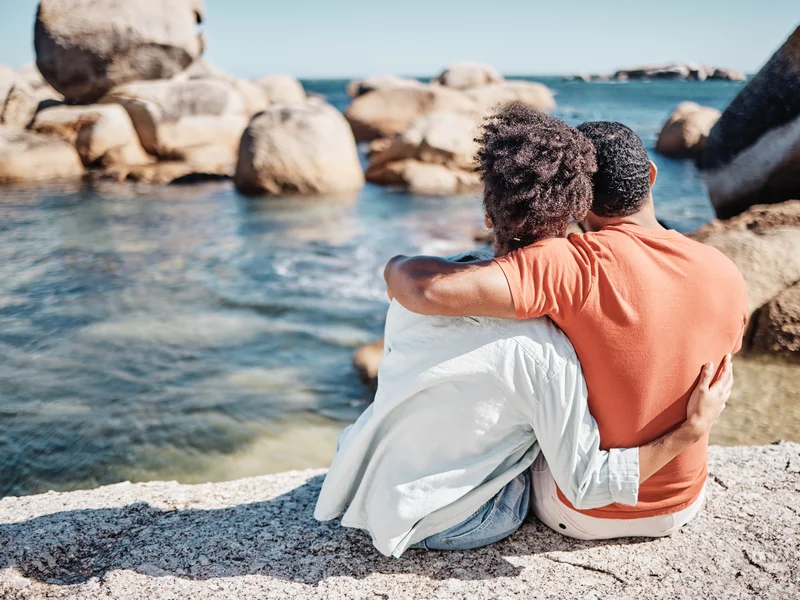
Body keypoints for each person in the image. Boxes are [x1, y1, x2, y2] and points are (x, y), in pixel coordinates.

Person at [315, 106, 734, 557]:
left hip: (590, 511)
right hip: (686, 497)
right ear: (651, 175)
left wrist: (395, 264)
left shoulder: (572, 264)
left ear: (580, 198)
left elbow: (427, 289)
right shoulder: (724, 269)